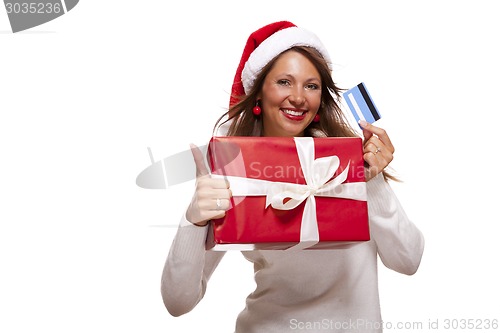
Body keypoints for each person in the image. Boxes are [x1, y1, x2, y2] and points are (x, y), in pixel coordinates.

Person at [161, 21, 424, 332]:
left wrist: (372, 182)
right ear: (258, 92)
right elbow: (179, 302)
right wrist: (194, 219)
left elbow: (407, 262)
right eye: (285, 82)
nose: (299, 97)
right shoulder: (235, 168)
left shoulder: (348, 162)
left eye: (311, 86)